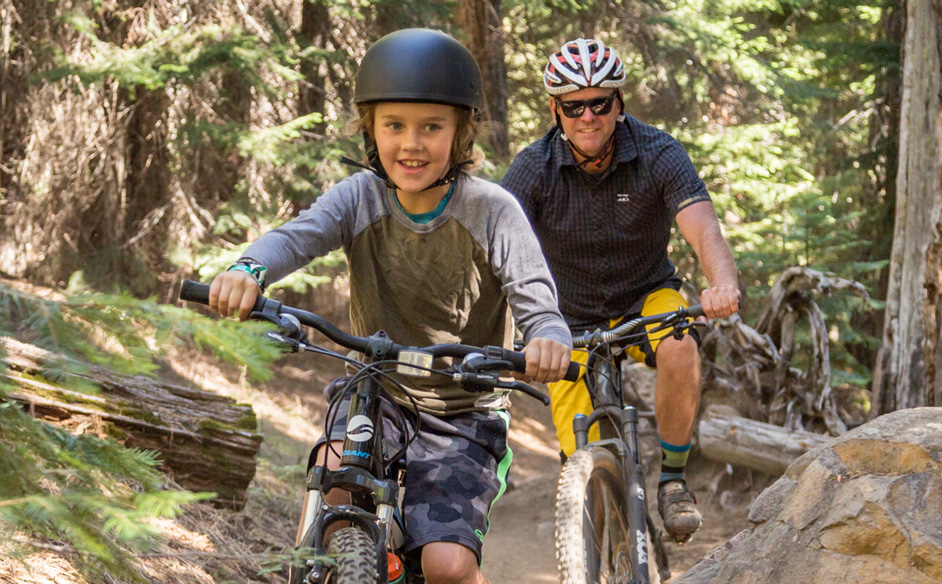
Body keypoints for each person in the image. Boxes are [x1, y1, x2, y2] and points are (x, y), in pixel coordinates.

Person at [205, 28, 572, 584]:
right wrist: (247, 269)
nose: (411, 144)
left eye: (432, 127)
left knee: (448, 568)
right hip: (375, 389)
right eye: (394, 125)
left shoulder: (493, 210)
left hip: (462, 410)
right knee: (331, 479)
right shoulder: (358, 197)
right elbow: (296, 236)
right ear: (370, 129)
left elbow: (535, 296)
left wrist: (546, 335)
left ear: (460, 132)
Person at [500, 38, 740, 543]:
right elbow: (497, 247)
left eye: (599, 103)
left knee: (681, 344)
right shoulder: (532, 168)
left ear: (619, 103)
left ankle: (673, 480)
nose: (587, 116)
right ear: (555, 110)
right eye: (573, 106)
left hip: (645, 298)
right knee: (583, 469)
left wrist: (723, 282)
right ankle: (593, 553)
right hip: (564, 320)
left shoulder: (657, 152)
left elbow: (702, 226)